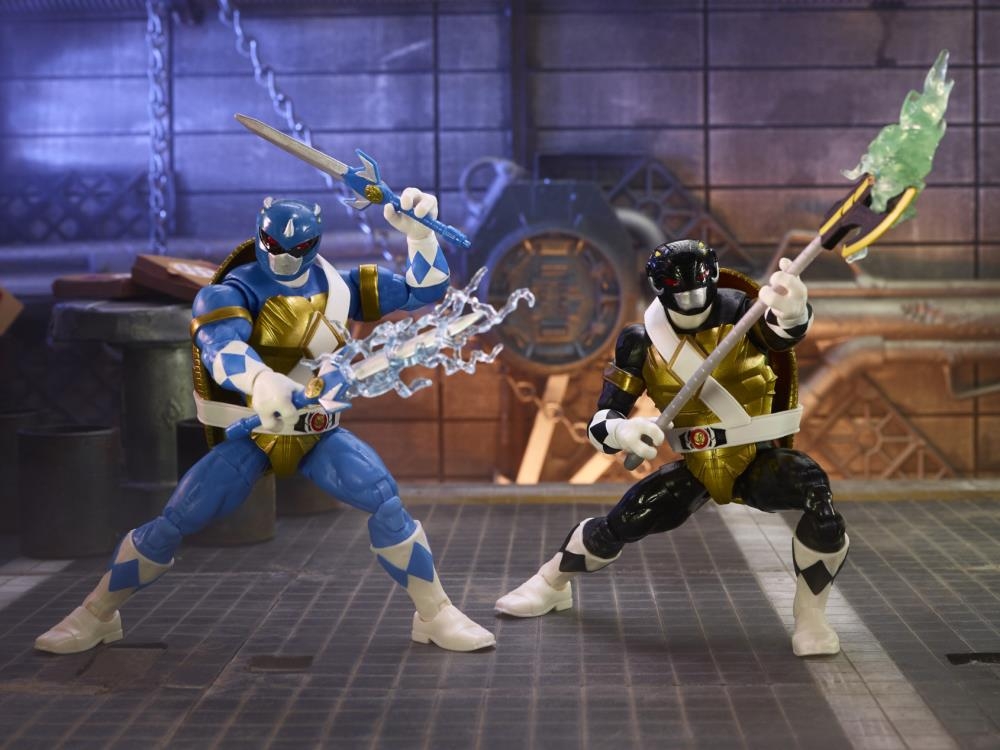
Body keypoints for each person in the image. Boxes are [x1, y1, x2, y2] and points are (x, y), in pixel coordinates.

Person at [36, 188, 495, 654]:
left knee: (385, 501)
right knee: (176, 521)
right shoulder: (228, 292)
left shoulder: (339, 289)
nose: (282, 258)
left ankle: (435, 614)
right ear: (259, 235)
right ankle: (96, 614)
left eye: (297, 249)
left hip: (316, 433)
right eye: (273, 245)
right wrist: (260, 381)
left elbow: (424, 291)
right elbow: (221, 347)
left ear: (314, 244)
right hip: (255, 434)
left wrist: (420, 238)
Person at [496, 239, 849, 657]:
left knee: (819, 503)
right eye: (681, 294)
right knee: (621, 524)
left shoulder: (745, 313)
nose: (692, 302)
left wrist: (792, 312)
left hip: (756, 458)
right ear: (661, 290)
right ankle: (550, 582)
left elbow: (781, 334)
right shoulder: (640, 342)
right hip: (697, 465)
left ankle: (811, 617)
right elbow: (602, 420)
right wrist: (622, 431)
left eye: (699, 291)